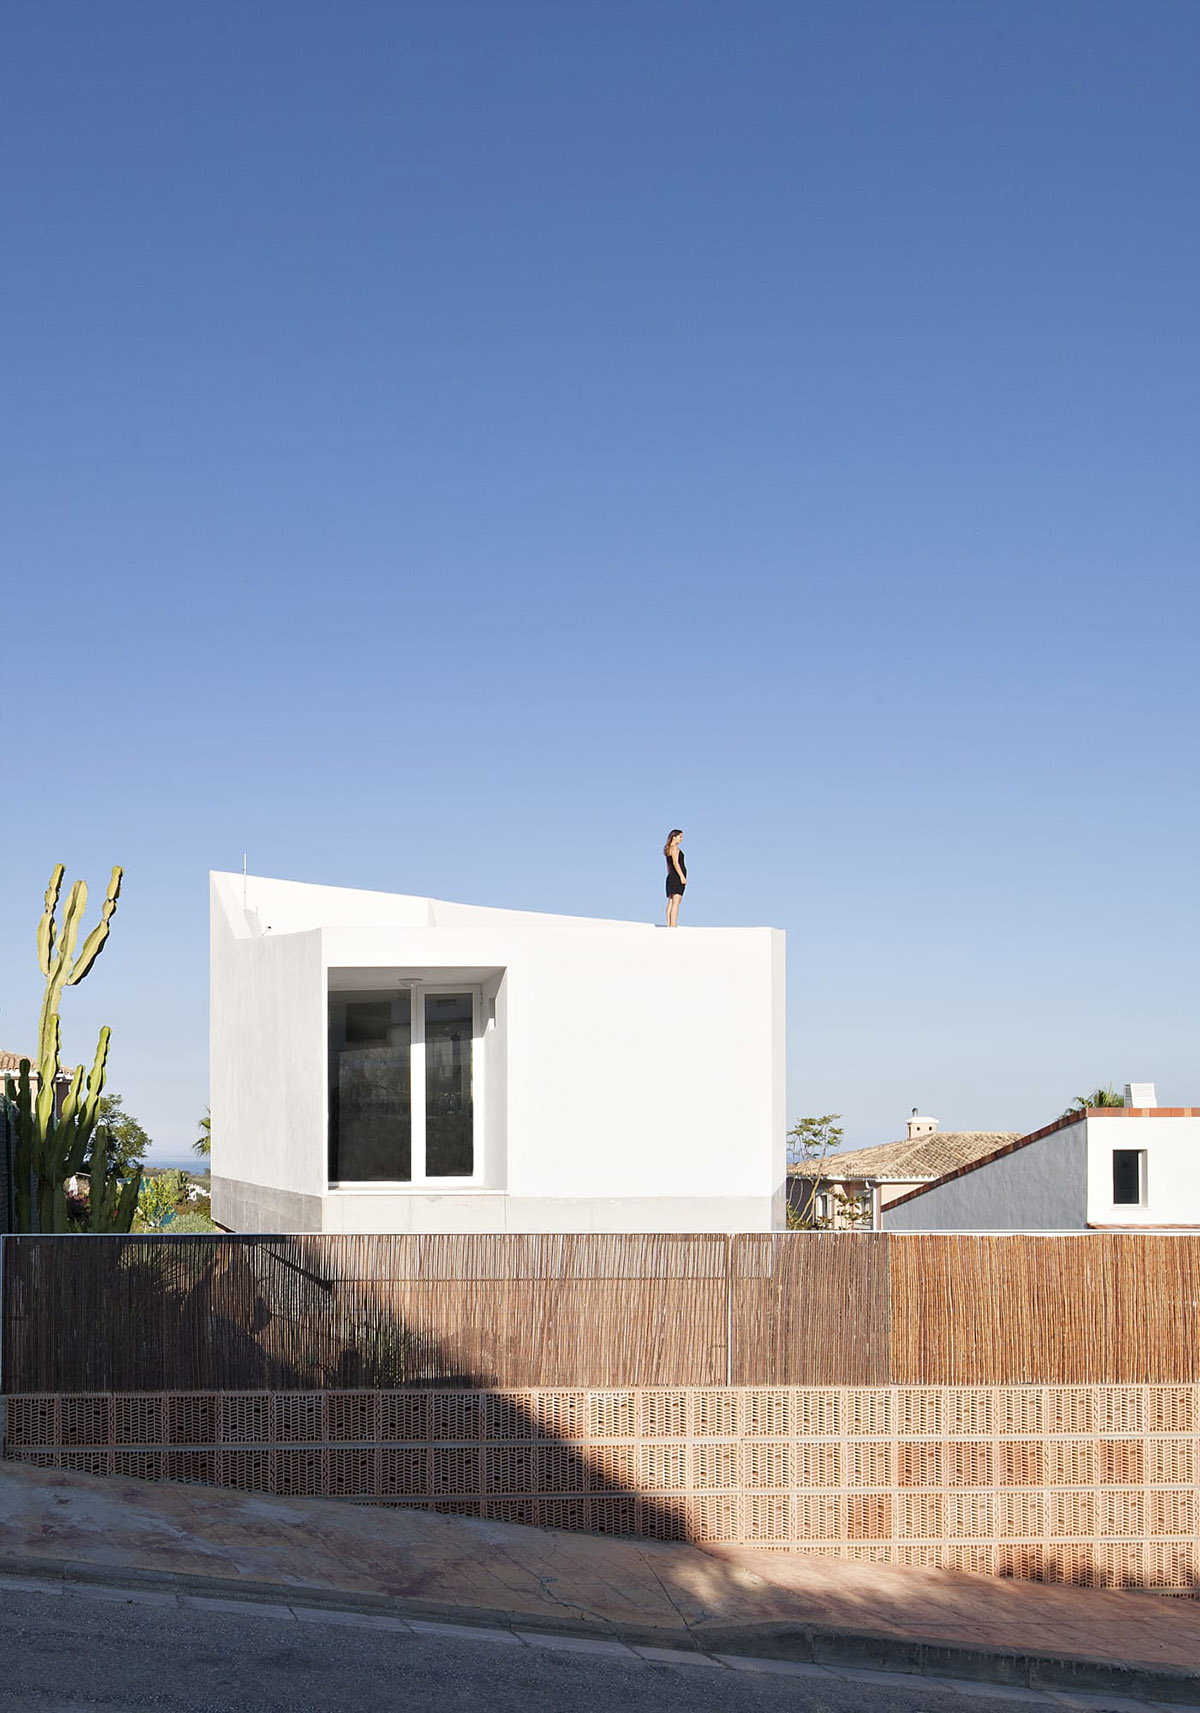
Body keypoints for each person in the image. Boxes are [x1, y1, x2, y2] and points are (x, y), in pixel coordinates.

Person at [664, 829, 687, 927]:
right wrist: (682, 876)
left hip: (671, 876)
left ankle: (670, 924)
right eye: (680, 837)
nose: (681, 839)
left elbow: (668, 866)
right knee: (676, 901)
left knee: (671, 901)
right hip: (676, 877)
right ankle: (673, 925)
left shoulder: (668, 848)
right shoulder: (674, 848)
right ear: (674, 837)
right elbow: (675, 862)